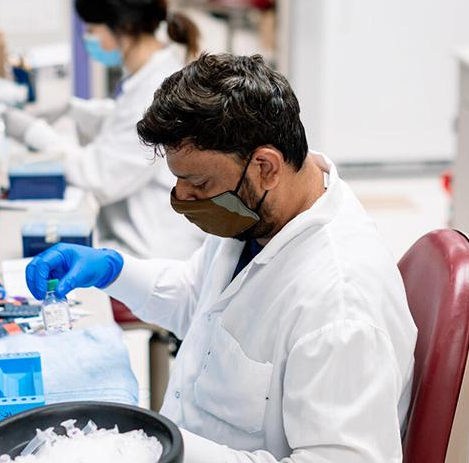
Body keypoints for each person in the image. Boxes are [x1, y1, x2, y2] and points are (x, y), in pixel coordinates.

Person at [25, 54, 418, 462]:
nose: (181, 199)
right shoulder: (259, 212)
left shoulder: (339, 308)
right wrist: (112, 270)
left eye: (197, 182)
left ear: (265, 166)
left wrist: (160, 449)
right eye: (176, 179)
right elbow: (199, 299)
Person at [4, 0, 204, 260]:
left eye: (93, 29)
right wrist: (74, 109)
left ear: (122, 27)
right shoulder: (155, 71)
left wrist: (34, 132)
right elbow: (124, 122)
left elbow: (98, 175)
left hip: (152, 257)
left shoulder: (155, 90)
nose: (89, 38)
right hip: (143, 243)